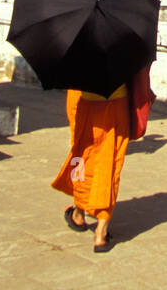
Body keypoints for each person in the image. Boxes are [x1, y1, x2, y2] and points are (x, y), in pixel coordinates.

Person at [51, 66, 153, 253]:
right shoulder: (127, 41)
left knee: (80, 158)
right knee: (111, 163)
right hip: (116, 104)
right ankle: (101, 232)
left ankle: (79, 210)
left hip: (84, 103)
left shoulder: (75, 42)